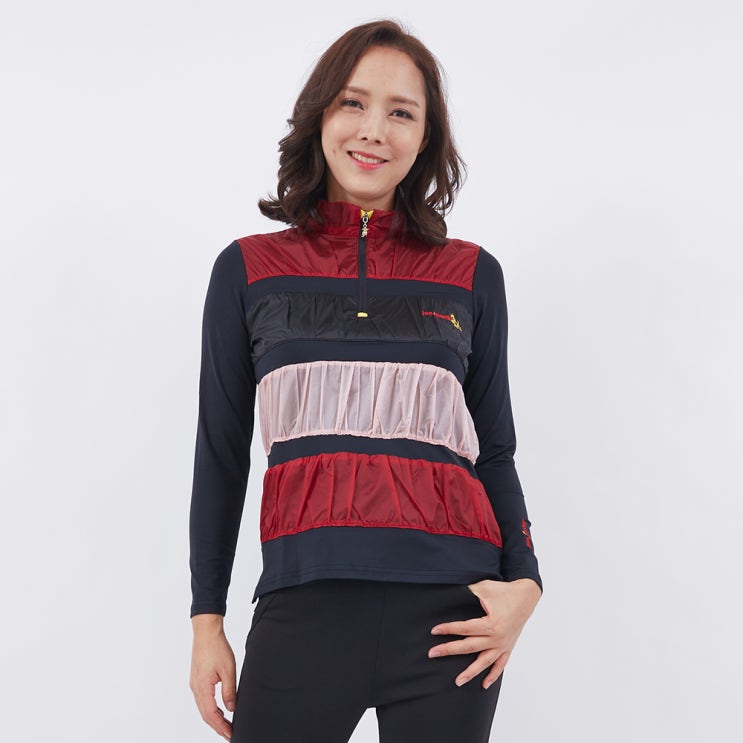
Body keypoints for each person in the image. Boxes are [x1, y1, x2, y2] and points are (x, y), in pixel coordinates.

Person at [188, 19, 542, 743]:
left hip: (454, 618)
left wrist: (526, 585)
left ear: (425, 136)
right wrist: (207, 621)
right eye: (353, 102)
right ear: (320, 114)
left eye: (401, 112)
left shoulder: (471, 275)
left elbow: (495, 449)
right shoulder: (248, 270)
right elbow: (220, 455)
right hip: (303, 602)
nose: (373, 130)